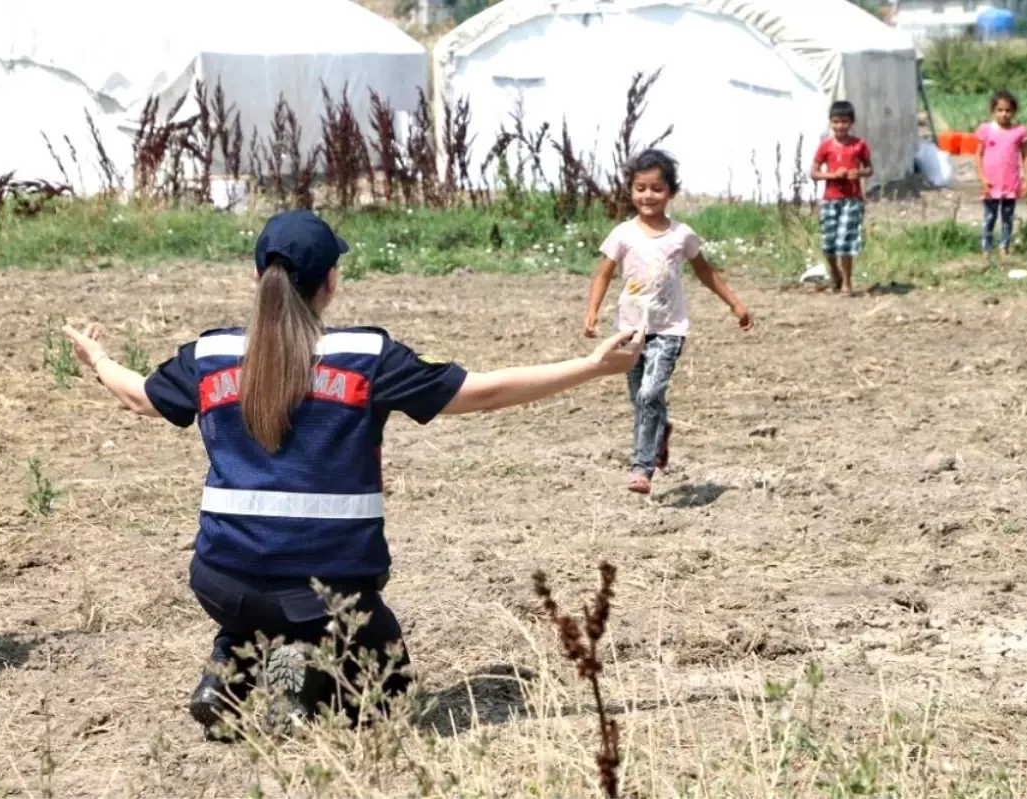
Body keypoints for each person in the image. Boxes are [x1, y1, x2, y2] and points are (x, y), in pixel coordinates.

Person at [61, 209, 644, 736]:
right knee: (385, 695)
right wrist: (593, 366)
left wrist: (101, 360)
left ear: (259, 278)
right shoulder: (366, 357)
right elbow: (482, 395)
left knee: (264, 602)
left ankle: (228, 677)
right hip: (328, 593)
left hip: (219, 584)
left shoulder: (211, 356)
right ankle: (302, 689)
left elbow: (139, 397)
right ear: (331, 282)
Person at [582, 149, 753, 496]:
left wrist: (735, 304)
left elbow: (704, 271)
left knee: (650, 393)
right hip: (630, 330)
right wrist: (593, 310)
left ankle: (641, 469)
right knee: (641, 401)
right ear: (630, 190)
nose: (648, 196)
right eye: (640, 188)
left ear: (671, 193)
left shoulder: (681, 235)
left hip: (669, 330)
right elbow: (603, 274)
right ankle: (660, 432)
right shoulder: (623, 234)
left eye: (656, 189)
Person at [810, 100, 874, 295]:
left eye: (844, 121)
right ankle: (834, 273)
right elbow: (813, 172)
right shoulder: (826, 146)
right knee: (828, 242)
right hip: (830, 199)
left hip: (851, 199)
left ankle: (847, 282)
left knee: (845, 240)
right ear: (831, 122)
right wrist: (832, 175)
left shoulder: (859, 145)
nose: (840, 126)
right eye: (836, 122)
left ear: (851, 122)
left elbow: (869, 168)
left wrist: (858, 173)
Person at [975, 89, 1027, 261]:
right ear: (993, 111)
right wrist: (982, 177)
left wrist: (1026, 180)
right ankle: (986, 248)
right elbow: (978, 155)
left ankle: (1004, 247)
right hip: (991, 183)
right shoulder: (986, 130)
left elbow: (1026, 156)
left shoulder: (1019, 131)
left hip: (1010, 182)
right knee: (990, 216)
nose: (1004, 114)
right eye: (1000, 110)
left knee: (1007, 217)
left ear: (1014, 112)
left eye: (1008, 110)